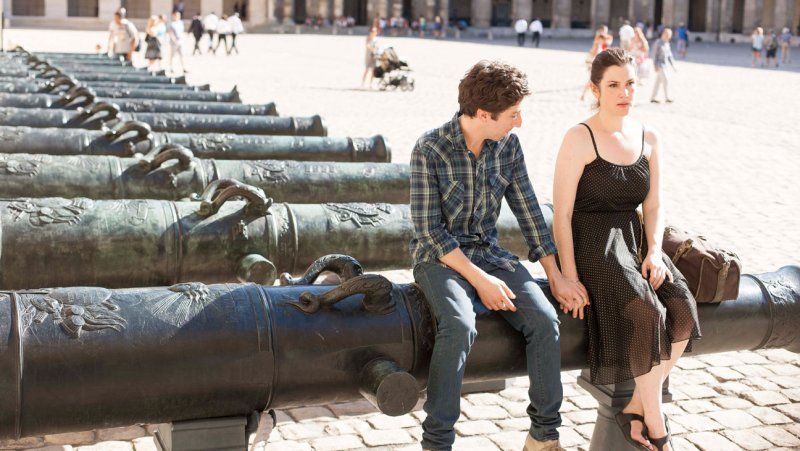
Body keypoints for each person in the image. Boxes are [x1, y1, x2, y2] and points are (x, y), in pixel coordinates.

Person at [411, 60, 584, 451]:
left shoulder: (508, 146)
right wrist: (480, 280)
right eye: (513, 114)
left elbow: (528, 211)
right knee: (459, 325)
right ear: (483, 114)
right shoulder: (430, 148)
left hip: (489, 253)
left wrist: (555, 275)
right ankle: (437, 443)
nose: (519, 122)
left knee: (544, 320)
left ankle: (544, 436)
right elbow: (429, 232)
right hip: (439, 259)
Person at [553, 48, 701, 451]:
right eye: (614, 85)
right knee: (647, 310)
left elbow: (653, 205)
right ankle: (655, 424)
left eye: (630, 83)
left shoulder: (648, 136)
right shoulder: (579, 137)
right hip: (592, 240)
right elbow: (562, 215)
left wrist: (654, 250)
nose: (624, 92)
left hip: (635, 239)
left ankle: (636, 404)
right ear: (595, 88)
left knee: (683, 310)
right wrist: (567, 275)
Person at [580, 27, 609, 101]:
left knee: (594, 81)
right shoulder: (596, 46)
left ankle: (584, 95)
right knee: (594, 81)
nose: (604, 42)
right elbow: (591, 56)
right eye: (603, 40)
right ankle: (586, 95)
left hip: (595, 66)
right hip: (593, 66)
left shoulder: (597, 45)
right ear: (600, 39)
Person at [651, 28, 676, 103]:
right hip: (659, 65)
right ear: (663, 34)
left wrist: (673, 65)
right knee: (665, 80)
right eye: (667, 35)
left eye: (670, 35)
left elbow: (669, 55)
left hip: (665, 65)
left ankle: (653, 97)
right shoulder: (658, 43)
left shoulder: (667, 43)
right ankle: (667, 97)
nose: (669, 37)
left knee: (658, 82)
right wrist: (655, 66)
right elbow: (654, 55)